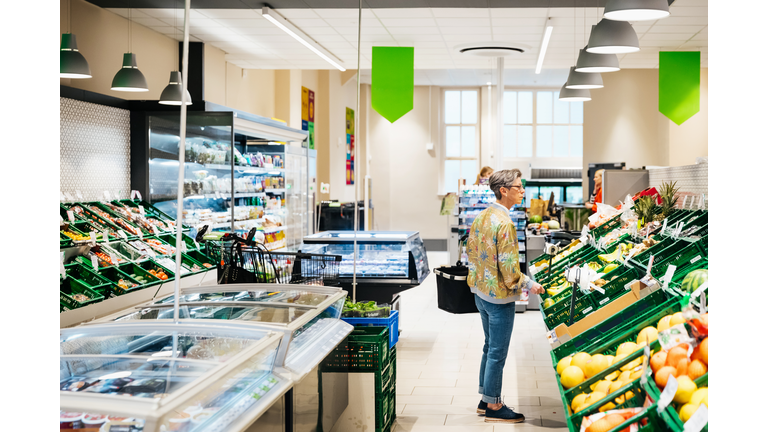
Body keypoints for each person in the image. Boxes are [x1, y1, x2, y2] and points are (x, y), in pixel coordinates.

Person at [466, 169, 545, 423]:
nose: (522, 191)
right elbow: (511, 272)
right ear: (504, 190)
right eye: (519, 187)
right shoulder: (506, 223)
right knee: (498, 352)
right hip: (500, 298)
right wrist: (530, 284)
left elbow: (471, 252)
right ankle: (495, 406)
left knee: (489, 347)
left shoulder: (482, 216)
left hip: (480, 293)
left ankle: (484, 399)